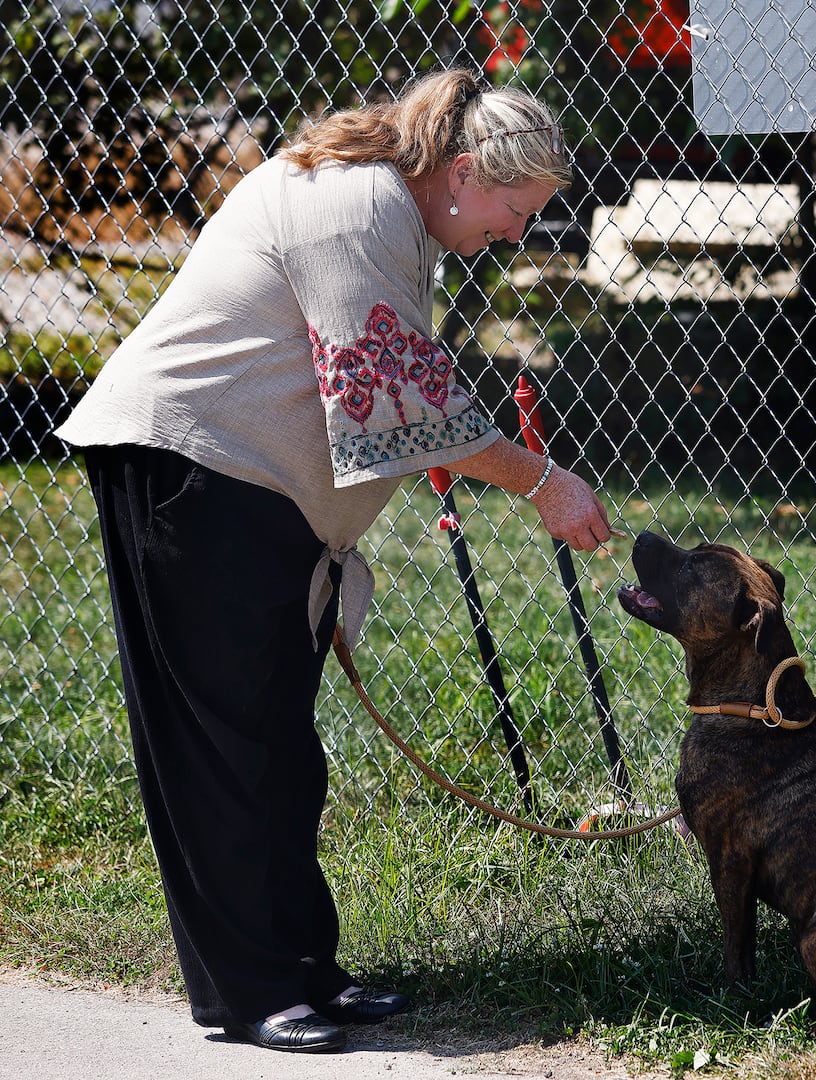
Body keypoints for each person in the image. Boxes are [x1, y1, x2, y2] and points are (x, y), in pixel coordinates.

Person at [55, 68, 612, 1054]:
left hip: (254, 497)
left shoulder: (393, 206)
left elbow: (396, 392)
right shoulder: (355, 205)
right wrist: (543, 482)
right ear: (466, 170)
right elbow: (396, 397)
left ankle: (305, 971)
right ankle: (252, 991)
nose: (517, 235)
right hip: (191, 472)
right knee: (226, 750)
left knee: (278, 748)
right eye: (514, 211)